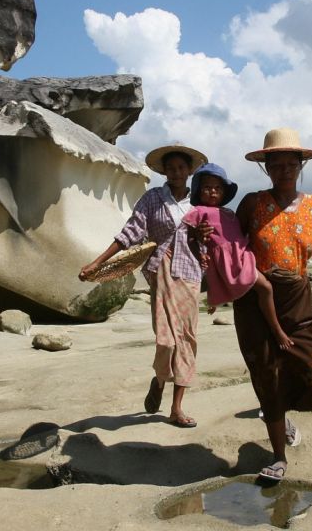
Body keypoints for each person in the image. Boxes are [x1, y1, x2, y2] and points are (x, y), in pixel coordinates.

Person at [233, 128, 312, 481]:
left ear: (301, 166)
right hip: (255, 300)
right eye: (277, 164)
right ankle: (278, 456)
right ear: (266, 168)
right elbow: (231, 248)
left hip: (297, 296)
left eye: (291, 164)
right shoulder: (252, 203)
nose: (284, 170)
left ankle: (281, 412)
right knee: (266, 374)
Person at [79, 144, 207, 428]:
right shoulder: (153, 199)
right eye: (171, 168)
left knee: (186, 340)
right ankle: (160, 379)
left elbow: (211, 242)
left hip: (190, 275)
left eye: (181, 168)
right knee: (166, 341)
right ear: (165, 171)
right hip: (160, 271)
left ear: (190, 171)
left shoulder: (200, 202)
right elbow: (129, 233)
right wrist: (97, 263)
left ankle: (176, 408)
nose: (176, 172)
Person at [180, 163, 294, 351]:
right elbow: (186, 236)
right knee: (265, 288)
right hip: (231, 263)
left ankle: (217, 299)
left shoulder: (228, 212)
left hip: (243, 255)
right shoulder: (198, 211)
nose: (213, 192)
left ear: (224, 192)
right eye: (207, 188)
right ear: (199, 191)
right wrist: (198, 235)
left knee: (264, 287)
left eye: (218, 188)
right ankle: (277, 330)